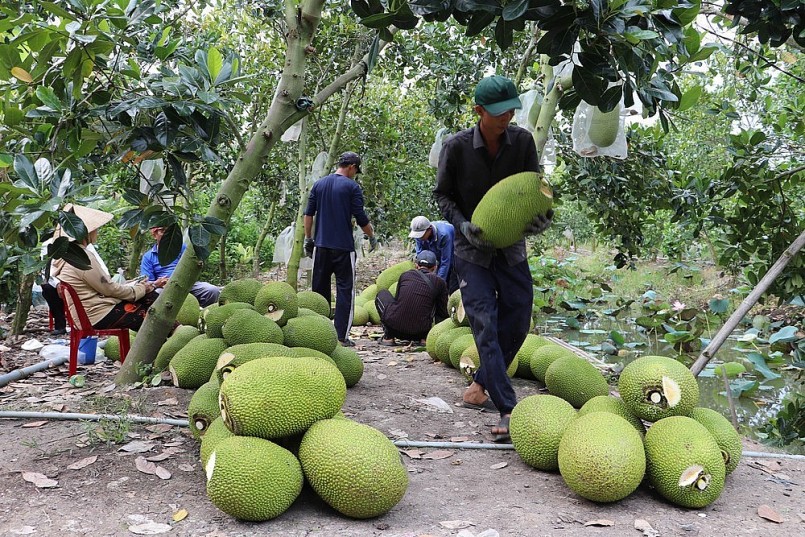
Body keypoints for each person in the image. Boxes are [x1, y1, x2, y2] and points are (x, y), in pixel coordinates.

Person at [433, 75, 553, 442]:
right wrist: (462, 225)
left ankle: (481, 382)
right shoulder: (456, 148)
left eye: (511, 111)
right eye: (499, 113)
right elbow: (443, 197)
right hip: (472, 249)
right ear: (479, 111)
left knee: (518, 317)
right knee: (484, 322)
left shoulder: (522, 142)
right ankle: (507, 407)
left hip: (511, 246)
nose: (507, 118)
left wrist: (541, 219)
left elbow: (535, 190)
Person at [303, 151, 378, 347]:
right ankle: (341, 337)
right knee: (345, 290)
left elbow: (308, 214)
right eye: (356, 170)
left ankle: (319, 334)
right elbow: (361, 218)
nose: (355, 174)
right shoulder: (352, 187)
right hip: (344, 248)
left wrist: (308, 239)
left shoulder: (319, 184)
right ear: (352, 166)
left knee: (319, 292)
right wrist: (371, 236)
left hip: (321, 246)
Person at [51, 205, 167, 331]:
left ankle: (176, 333)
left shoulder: (69, 255)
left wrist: (140, 288)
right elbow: (109, 289)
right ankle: (176, 332)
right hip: (98, 315)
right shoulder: (82, 259)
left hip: (88, 314)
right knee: (155, 318)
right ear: (87, 232)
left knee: (148, 298)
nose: (97, 232)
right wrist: (140, 289)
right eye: (95, 229)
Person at [375, 250, 449, 346]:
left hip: (395, 328)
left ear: (416, 265)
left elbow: (397, 300)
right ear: (435, 267)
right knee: (435, 301)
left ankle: (388, 337)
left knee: (382, 294)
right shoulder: (440, 282)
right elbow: (443, 312)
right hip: (420, 332)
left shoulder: (406, 275)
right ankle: (425, 339)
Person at [140, 226, 221, 307]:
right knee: (156, 295)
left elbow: (193, 266)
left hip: (187, 284)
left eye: (168, 231)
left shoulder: (182, 248)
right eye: (163, 231)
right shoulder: (148, 257)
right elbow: (147, 282)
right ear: (154, 235)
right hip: (164, 289)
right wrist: (157, 283)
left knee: (212, 290)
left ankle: (202, 314)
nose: (167, 235)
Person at [408, 216, 458, 294]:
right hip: (438, 254)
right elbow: (421, 255)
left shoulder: (444, 235)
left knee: (450, 285)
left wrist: (437, 284)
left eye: (421, 235)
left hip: (454, 254)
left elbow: (446, 262)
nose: (419, 238)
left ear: (429, 229)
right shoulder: (419, 237)